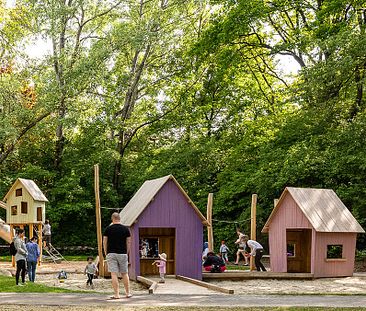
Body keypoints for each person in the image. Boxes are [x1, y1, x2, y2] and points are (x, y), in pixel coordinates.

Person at [103, 212, 132, 299]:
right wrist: (127, 252)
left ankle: (117, 294)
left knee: (114, 274)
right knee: (124, 273)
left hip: (111, 253)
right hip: (122, 253)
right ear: (119, 219)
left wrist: (106, 252)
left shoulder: (108, 229)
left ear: (112, 219)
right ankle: (128, 293)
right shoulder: (126, 229)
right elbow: (129, 242)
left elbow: (104, 241)